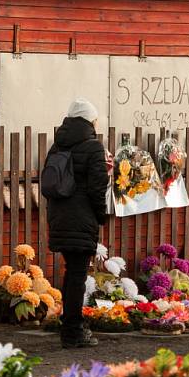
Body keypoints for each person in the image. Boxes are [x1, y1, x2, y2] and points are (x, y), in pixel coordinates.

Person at [47, 98, 109, 349]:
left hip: (60, 216)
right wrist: (100, 215)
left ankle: (70, 325)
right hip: (82, 217)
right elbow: (98, 187)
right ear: (89, 121)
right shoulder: (93, 147)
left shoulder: (57, 146)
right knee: (77, 275)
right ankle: (72, 331)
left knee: (71, 273)